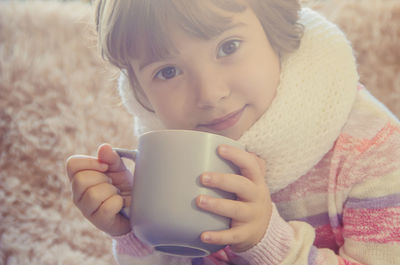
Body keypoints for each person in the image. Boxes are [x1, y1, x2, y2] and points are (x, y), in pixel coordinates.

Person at [66, 0, 400, 264]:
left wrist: (267, 244)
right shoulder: (172, 153)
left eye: (228, 47)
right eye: (168, 71)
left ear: (275, 32)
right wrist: (137, 229)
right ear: (139, 92)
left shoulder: (375, 151)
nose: (210, 94)